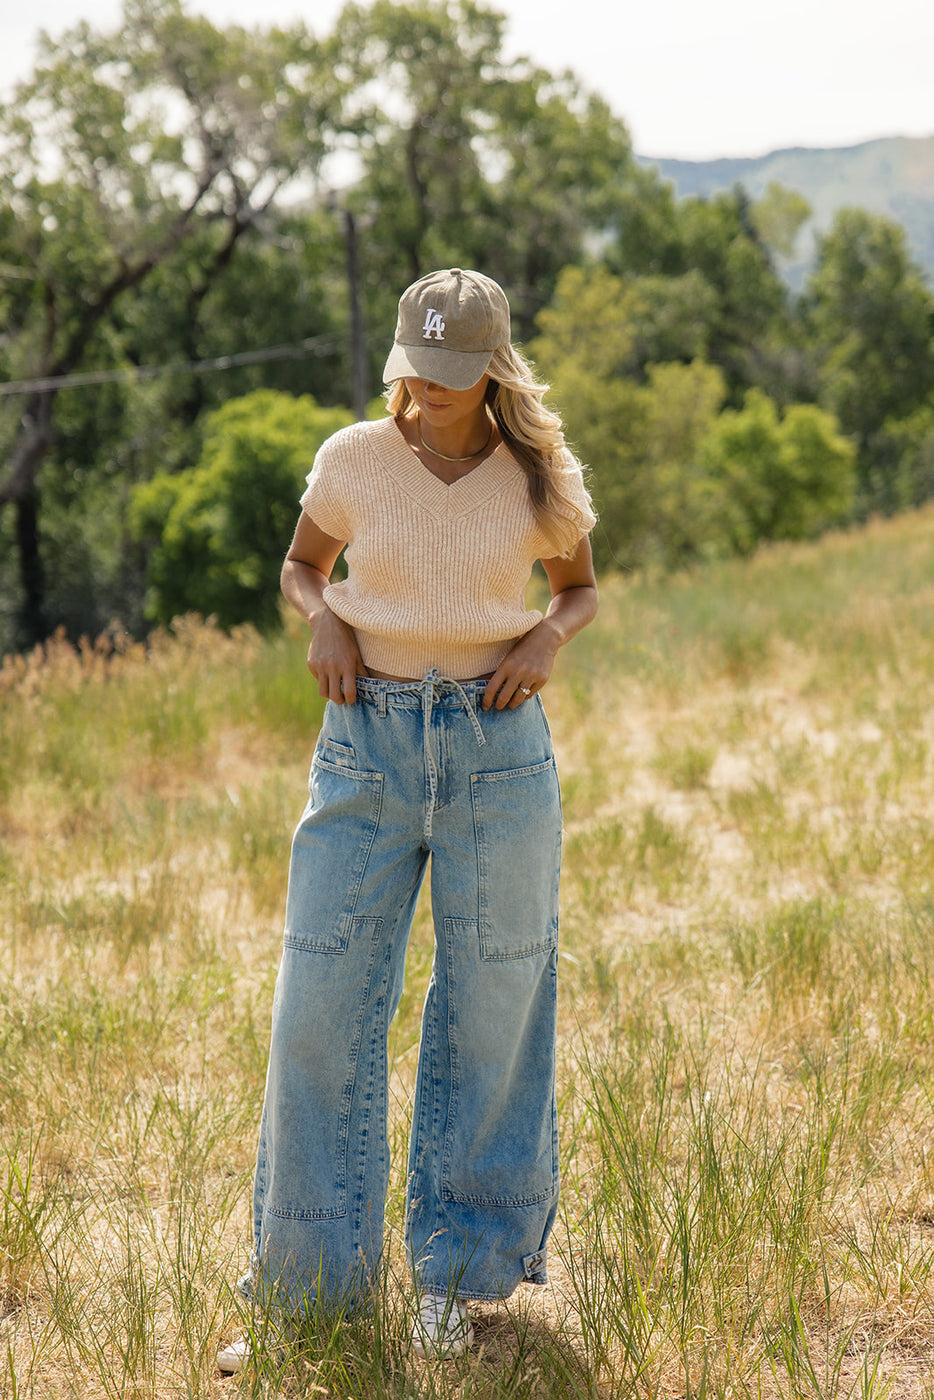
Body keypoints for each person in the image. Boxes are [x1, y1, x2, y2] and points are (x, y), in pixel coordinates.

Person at [217, 267, 597, 1372]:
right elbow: (300, 566)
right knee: (318, 1006)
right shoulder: (351, 459)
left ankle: (455, 1275)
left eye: (445, 379)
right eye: (409, 374)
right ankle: (305, 1289)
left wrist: (544, 640)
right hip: (364, 742)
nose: (422, 395)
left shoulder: (537, 476)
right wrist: (324, 615)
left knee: (492, 1007)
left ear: (489, 370)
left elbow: (577, 587)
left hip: (495, 746)